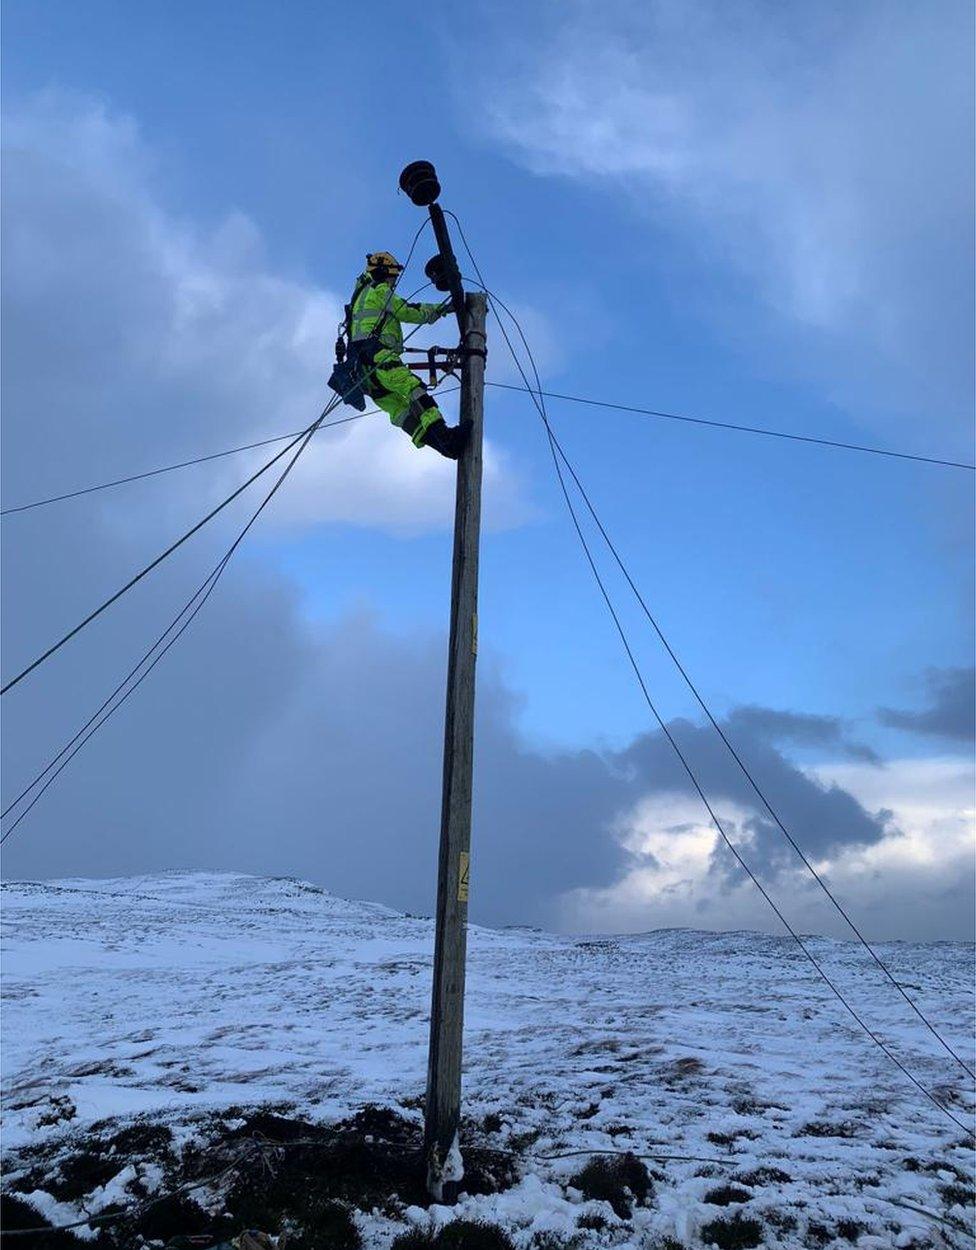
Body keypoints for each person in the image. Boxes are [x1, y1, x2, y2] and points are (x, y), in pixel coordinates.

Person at [346, 251, 468, 459]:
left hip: (361, 373)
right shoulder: (378, 289)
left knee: (400, 411)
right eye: (393, 275)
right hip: (378, 357)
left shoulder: (358, 298)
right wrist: (443, 309)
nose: (394, 282)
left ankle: (443, 447)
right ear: (384, 272)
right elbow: (408, 310)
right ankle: (445, 438)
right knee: (413, 389)